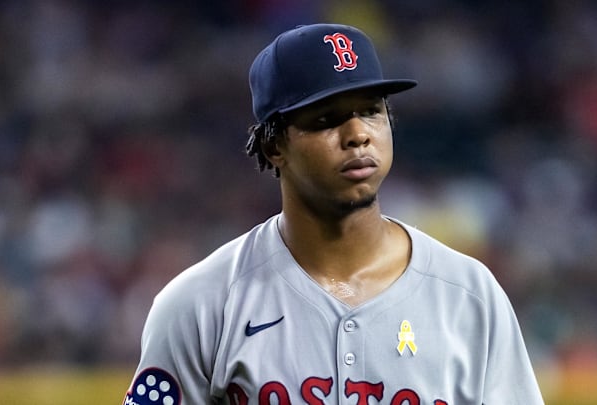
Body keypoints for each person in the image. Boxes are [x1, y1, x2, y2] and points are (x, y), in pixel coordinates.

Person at [124, 23, 544, 405]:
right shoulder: (201, 305)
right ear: (274, 146)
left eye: (371, 111)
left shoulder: (468, 295)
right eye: (327, 119)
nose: (358, 134)